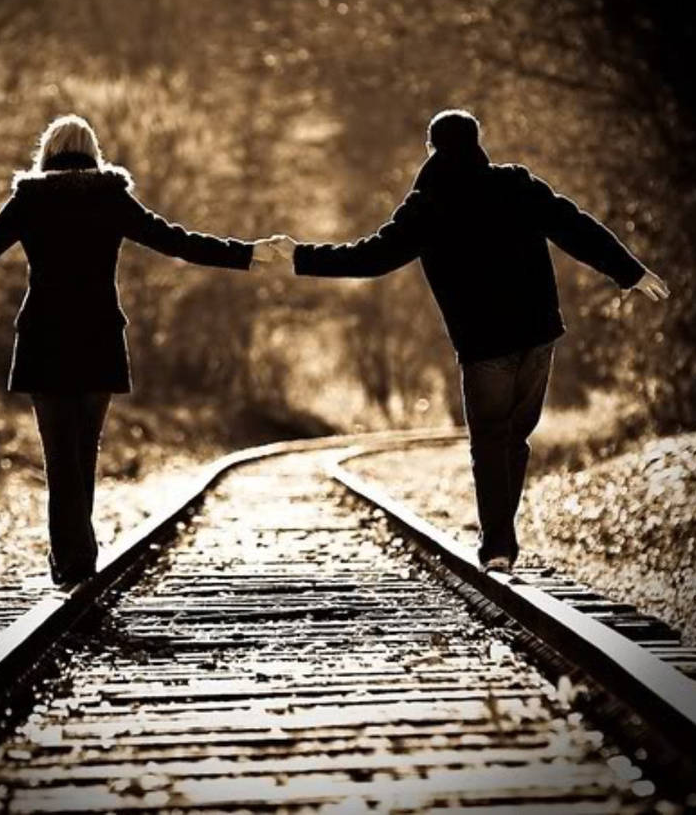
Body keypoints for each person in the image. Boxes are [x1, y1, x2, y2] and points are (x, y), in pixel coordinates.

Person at [0, 114, 282, 585]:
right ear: (92, 151)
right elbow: (177, 242)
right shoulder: (111, 198)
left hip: (44, 340)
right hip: (98, 338)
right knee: (83, 450)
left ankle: (71, 558)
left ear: (47, 152)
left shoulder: (29, 200)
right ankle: (77, 554)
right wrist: (248, 253)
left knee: (59, 455)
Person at [263, 109, 669, 573]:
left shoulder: (427, 205)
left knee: (491, 441)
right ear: (479, 141)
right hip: (538, 335)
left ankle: (498, 545)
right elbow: (574, 226)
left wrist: (299, 256)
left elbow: (370, 258)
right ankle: (501, 539)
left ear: (430, 149)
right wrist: (629, 271)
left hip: (484, 345)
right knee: (515, 438)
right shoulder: (515, 185)